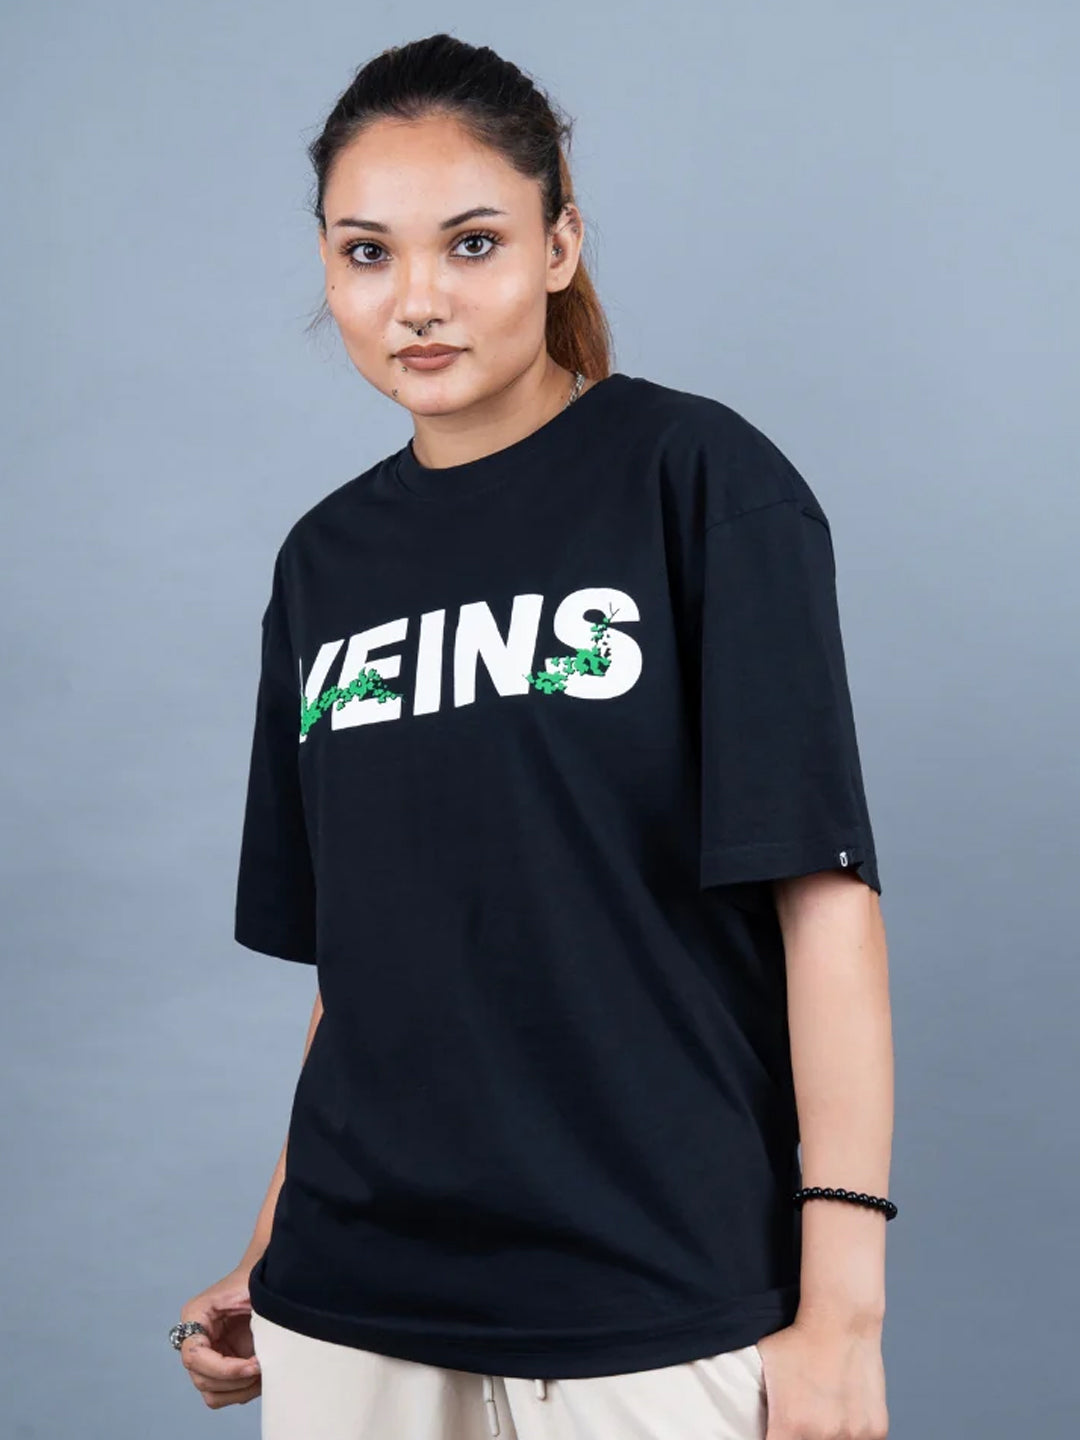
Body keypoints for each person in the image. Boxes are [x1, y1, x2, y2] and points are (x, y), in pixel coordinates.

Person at [171, 31, 894, 1440]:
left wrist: (843, 1316)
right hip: (348, 1301)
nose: (417, 300)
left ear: (560, 246)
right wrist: (268, 1249)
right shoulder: (324, 564)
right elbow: (364, 968)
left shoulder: (699, 481)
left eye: (474, 243)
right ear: (327, 268)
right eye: (368, 253)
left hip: (651, 1291)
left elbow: (824, 901)